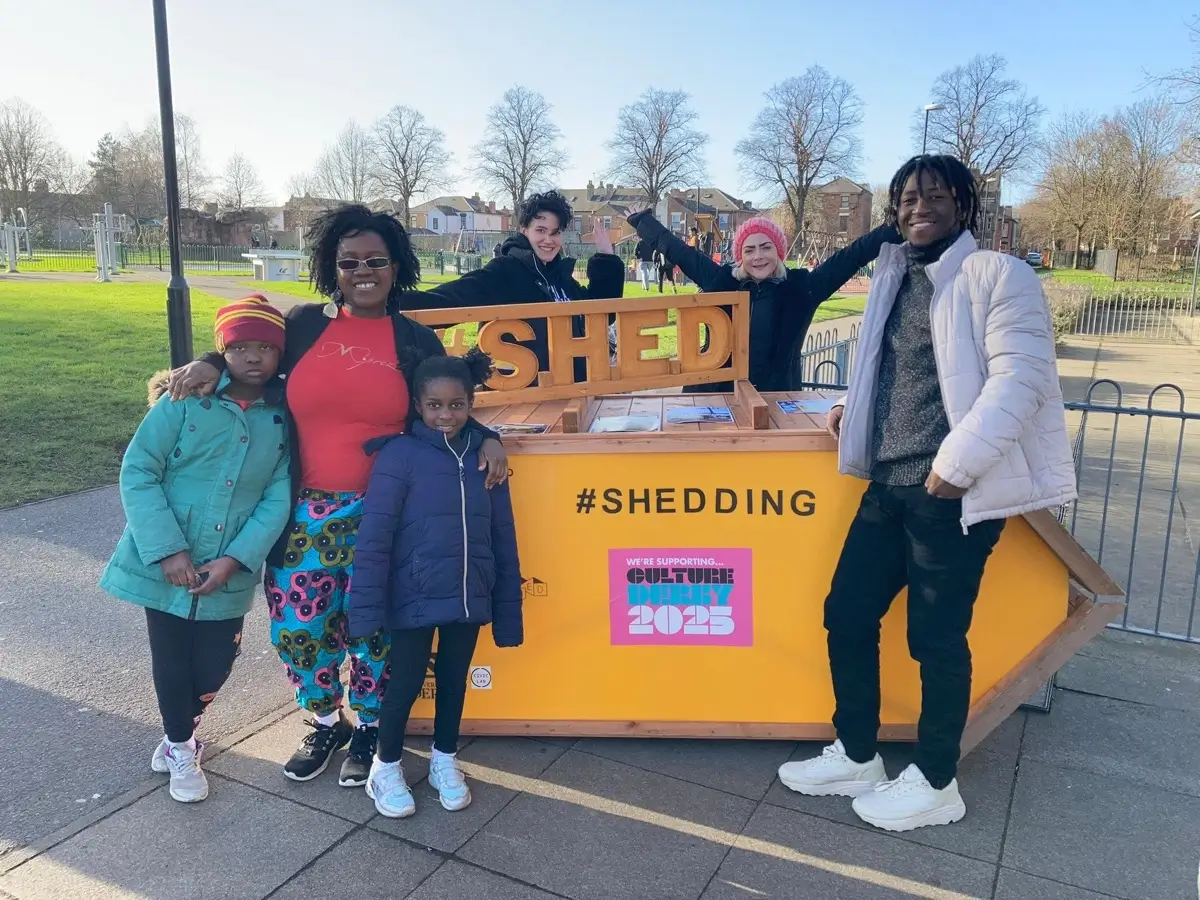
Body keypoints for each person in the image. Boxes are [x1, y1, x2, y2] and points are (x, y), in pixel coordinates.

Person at [777, 154, 1076, 832]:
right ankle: (857, 753)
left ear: (962, 206)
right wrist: (853, 408)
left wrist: (955, 467)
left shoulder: (998, 275)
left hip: (950, 495)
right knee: (847, 615)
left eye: (934, 196)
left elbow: (1018, 382)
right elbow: (894, 364)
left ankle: (938, 780)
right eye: (908, 197)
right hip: (887, 485)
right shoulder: (895, 273)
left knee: (935, 640)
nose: (918, 207)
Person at [163, 205, 509, 789]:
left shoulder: (414, 338)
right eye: (349, 262)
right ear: (331, 267)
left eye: (376, 260)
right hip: (305, 510)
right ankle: (327, 721)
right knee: (300, 627)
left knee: (375, 629)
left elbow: (447, 405)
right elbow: (254, 356)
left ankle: (372, 727)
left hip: (388, 514)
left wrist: (488, 436)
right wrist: (211, 360)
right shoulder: (302, 325)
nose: (363, 271)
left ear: (396, 266)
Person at [99, 296, 292, 803]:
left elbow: (279, 494)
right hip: (165, 561)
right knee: (171, 658)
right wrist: (167, 549)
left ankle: (176, 732)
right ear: (221, 349)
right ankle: (182, 747)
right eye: (240, 346)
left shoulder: (284, 416)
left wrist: (235, 560)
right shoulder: (183, 401)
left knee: (214, 664)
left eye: (266, 348)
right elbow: (140, 469)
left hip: (228, 565)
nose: (253, 357)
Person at [351, 348, 523, 818]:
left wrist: (506, 603)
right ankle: (384, 768)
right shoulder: (399, 455)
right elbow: (375, 534)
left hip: (468, 592)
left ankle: (445, 759)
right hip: (413, 594)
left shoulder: (486, 457)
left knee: (452, 680)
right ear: (417, 404)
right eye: (434, 405)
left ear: (471, 403)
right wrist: (363, 609)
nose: (445, 414)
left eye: (457, 405)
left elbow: (502, 532)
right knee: (404, 683)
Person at [626, 206, 898, 392]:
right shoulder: (722, 281)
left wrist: (895, 227)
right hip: (718, 396)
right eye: (750, 249)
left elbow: (851, 257)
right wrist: (643, 221)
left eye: (766, 248)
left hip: (776, 399)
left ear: (778, 252)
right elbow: (680, 252)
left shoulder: (801, 288)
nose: (758, 257)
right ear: (741, 255)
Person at [403, 191, 625, 382]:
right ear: (524, 230)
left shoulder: (560, 278)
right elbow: (449, 299)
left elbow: (599, 313)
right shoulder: (506, 271)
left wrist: (606, 257)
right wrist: (386, 302)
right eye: (540, 230)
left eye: (555, 232)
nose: (549, 239)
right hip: (523, 393)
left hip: (568, 387)